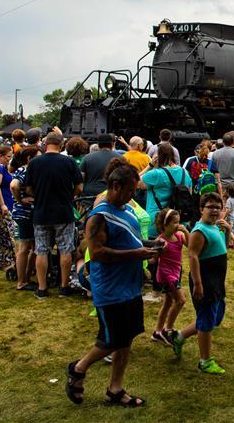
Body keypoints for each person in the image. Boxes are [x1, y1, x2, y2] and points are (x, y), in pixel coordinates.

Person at [64, 161, 160, 407]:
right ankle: (78, 368)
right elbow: (97, 254)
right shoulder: (99, 217)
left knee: (127, 338)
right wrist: (137, 255)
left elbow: (133, 241)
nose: (132, 196)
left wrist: (153, 245)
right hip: (110, 289)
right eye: (130, 191)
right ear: (115, 186)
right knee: (110, 340)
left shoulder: (126, 211)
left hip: (130, 285)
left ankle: (115, 389)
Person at [169, 192, 231, 375]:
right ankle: (205, 361)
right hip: (205, 280)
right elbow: (193, 256)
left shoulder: (216, 227)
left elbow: (224, 249)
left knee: (215, 317)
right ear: (201, 209)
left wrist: (227, 231)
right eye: (210, 207)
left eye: (218, 208)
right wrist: (198, 284)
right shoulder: (199, 231)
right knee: (206, 322)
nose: (214, 211)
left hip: (218, 281)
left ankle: (179, 336)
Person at [25, 132, 83, 298]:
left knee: (41, 250)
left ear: (45, 144)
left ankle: (42, 288)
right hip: (64, 211)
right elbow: (79, 188)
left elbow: (28, 188)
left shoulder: (35, 163)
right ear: (61, 144)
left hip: (41, 211)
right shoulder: (69, 162)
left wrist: (38, 195)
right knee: (66, 249)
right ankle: (64, 286)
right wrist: (70, 195)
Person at [151, 208, 188, 345]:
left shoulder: (179, 235)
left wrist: (185, 231)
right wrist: (158, 250)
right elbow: (153, 260)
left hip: (176, 272)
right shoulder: (160, 240)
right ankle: (168, 330)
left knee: (167, 303)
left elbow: (190, 245)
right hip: (166, 275)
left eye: (179, 222)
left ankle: (158, 332)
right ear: (164, 224)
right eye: (174, 223)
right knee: (180, 300)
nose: (178, 225)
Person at [140, 143, 192, 238]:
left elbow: (135, 182)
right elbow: (189, 195)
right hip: (178, 222)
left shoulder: (156, 174)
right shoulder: (185, 173)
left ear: (158, 156)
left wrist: (150, 165)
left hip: (157, 221)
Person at [9, 147, 40, 290]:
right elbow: (14, 185)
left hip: (28, 212)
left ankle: (26, 278)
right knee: (25, 247)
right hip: (24, 212)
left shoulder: (28, 170)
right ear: (29, 158)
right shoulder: (24, 170)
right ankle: (21, 281)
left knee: (33, 247)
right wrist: (21, 200)